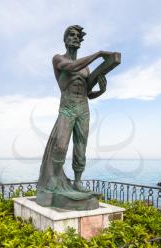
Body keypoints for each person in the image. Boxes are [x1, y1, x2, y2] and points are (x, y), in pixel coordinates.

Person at [36, 25, 111, 209]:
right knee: (61, 145)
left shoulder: (86, 70)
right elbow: (70, 66)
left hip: (83, 107)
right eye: (72, 35)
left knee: (81, 146)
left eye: (78, 36)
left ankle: (77, 181)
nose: (75, 38)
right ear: (65, 39)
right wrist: (98, 53)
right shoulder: (58, 59)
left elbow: (88, 93)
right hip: (67, 107)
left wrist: (101, 90)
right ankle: (53, 179)